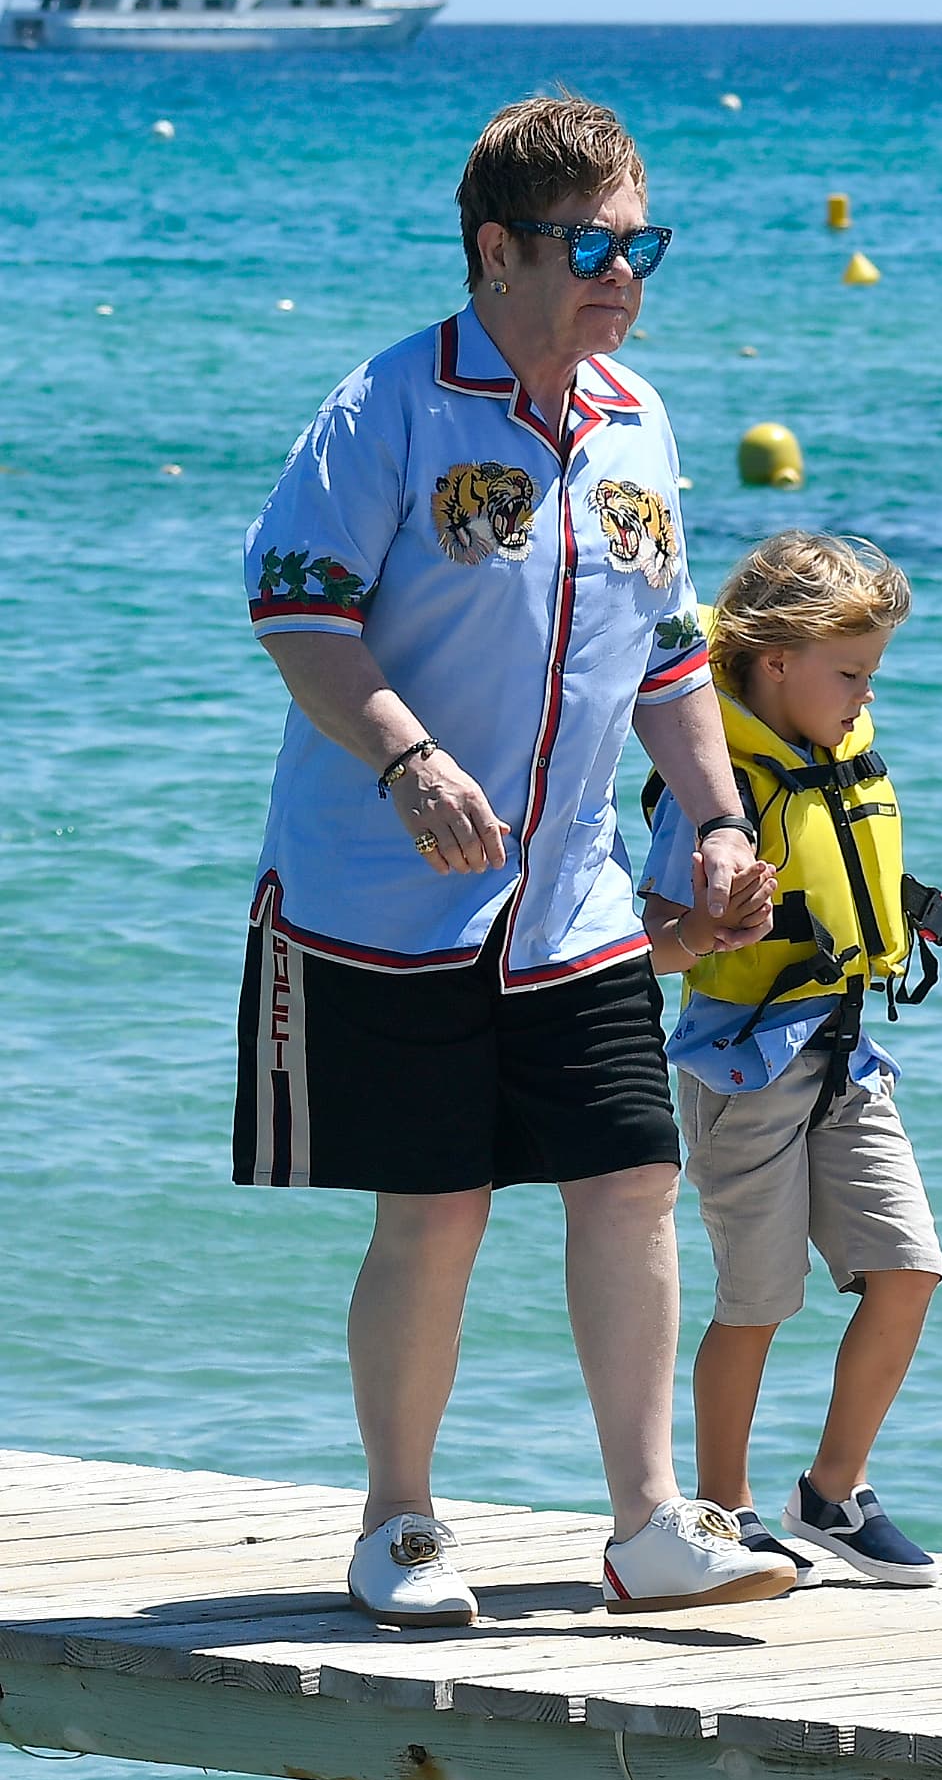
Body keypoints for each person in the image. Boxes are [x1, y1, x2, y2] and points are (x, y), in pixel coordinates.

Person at [232, 96, 797, 1624]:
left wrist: (723, 817)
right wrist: (409, 756)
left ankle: (646, 1523)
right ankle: (400, 1521)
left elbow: (668, 653)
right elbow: (299, 612)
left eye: (643, 243)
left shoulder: (638, 417)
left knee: (630, 1179)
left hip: (577, 897)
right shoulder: (387, 408)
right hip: (388, 894)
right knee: (437, 1207)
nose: (626, 272)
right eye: (594, 243)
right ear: (496, 248)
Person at [640, 530, 942, 1588]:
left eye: (872, 674)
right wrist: (708, 934)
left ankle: (831, 1495)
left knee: (907, 1270)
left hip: (849, 1059)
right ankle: (724, 1513)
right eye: (852, 673)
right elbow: (645, 938)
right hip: (744, 1070)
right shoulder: (710, 785)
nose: (866, 696)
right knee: (757, 1301)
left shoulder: (838, 757)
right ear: (775, 662)